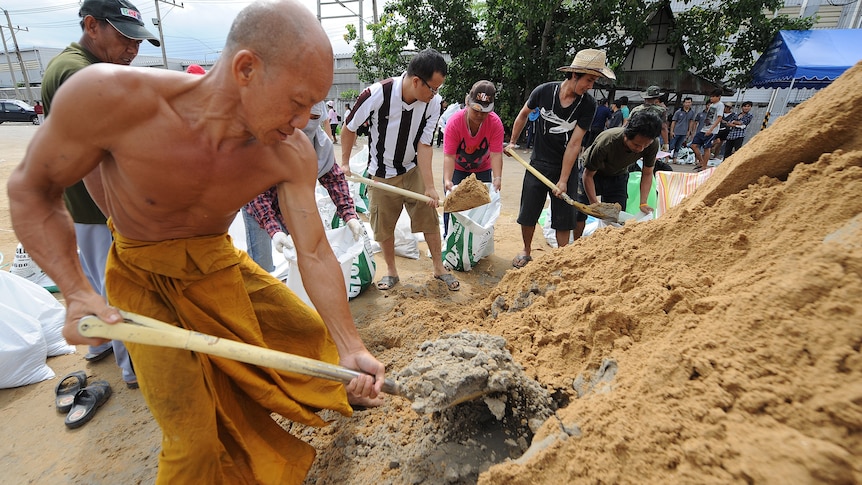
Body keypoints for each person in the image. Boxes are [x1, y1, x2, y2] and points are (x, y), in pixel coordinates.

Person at [8, 1, 385, 482]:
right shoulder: (111, 98)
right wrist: (75, 290)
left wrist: (349, 345)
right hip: (140, 276)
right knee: (195, 441)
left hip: (218, 265)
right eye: (296, 102)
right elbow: (32, 190)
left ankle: (340, 385)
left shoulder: (289, 152)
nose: (304, 119)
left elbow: (312, 250)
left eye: (313, 105)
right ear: (246, 68)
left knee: (311, 339)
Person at [39, 0, 160, 388]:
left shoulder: (84, 68)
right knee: (121, 289)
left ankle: (100, 347)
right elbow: (95, 158)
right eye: (125, 38)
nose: (133, 49)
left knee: (99, 280)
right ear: (92, 26)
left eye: (137, 41)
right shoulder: (77, 73)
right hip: (97, 206)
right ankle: (136, 369)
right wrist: (121, 217)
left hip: (87, 205)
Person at [339, 48, 459, 292]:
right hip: (381, 175)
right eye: (433, 88)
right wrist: (345, 162)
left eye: (438, 89)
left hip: (412, 170)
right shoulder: (376, 94)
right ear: (416, 81)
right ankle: (392, 273)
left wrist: (430, 187)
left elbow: (425, 144)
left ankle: (439, 267)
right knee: (383, 226)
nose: (436, 95)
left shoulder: (432, 104)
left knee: (429, 218)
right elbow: (349, 127)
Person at [506, 48, 614, 268]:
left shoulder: (587, 105)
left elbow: (575, 144)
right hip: (538, 163)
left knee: (564, 218)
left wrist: (564, 179)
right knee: (528, 213)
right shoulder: (544, 91)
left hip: (566, 167)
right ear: (575, 75)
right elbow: (524, 114)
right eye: (589, 80)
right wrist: (512, 142)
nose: (590, 86)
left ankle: (561, 258)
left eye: (594, 81)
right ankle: (526, 251)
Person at [243, 101, 365, 271]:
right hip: (258, 205)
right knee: (261, 261)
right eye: (302, 119)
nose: (307, 125)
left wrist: (349, 214)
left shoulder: (321, 145)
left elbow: (335, 180)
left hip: (293, 204)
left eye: (314, 118)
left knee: (307, 252)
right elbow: (255, 189)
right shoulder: (269, 140)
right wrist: (273, 229)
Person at [574, 111, 662, 238]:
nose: (641, 149)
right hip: (594, 173)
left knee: (616, 216)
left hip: (618, 175)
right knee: (580, 213)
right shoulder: (608, 141)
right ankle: (576, 245)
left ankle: (610, 247)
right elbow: (588, 175)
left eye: (645, 145)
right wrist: (595, 204)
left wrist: (643, 202)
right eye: (637, 144)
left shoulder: (652, 144)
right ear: (626, 135)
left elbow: (647, 173)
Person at [441, 80, 504, 235]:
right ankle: (448, 238)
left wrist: (497, 177)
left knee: (483, 207)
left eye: (485, 111)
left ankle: (478, 241)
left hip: (482, 169)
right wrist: (448, 180)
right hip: (458, 168)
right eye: (476, 109)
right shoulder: (454, 123)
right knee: (452, 204)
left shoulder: (495, 123)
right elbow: (449, 156)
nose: (480, 115)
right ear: (467, 102)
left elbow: (496, 153)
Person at [690, 89, 725, 171]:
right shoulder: (712, 105)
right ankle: (701, 161)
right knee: (693, 145)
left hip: (711, 130)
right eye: (711, 96)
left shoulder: (720, 105)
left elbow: (720, 118)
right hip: (704, 128)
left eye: (713, 96)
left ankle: (704, 166)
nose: (711, 98)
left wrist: (711, 129)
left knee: (706, 148)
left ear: (718, 97)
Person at [669, 96, 696, 163]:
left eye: (689, 102)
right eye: (686, 102)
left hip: (684, 132)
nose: (688, 104)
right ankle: (666, 158)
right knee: (671, 145)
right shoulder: (678, 112)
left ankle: (674, 158)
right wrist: (671, 131)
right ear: (683, 103)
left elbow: (691, 122)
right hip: (676, 131)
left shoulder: (692, 112)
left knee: (678, 146)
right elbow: (674, 121)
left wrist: (689, 131)